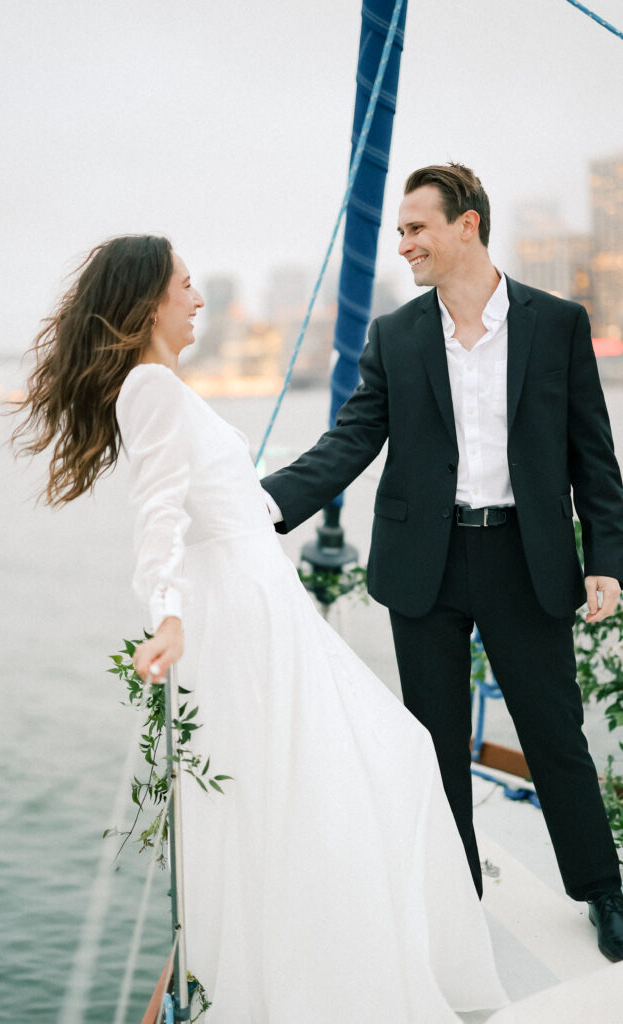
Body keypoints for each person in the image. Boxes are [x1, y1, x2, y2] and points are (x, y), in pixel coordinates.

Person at [13, 234, 507, 1022]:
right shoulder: (151, 387)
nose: (198, 297)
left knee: (345, 775)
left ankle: (332, 974)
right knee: (356, 771)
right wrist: (167, 613)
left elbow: (217, 495)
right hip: (242, 612)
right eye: (185, 284)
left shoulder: (162, 385)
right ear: (148, 300)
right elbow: (158, 516)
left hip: (262, 602)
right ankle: (322, 985)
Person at [261, 163, 623, 963]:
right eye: (398, 231)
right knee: (433, 741)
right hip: (424, 561)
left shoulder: (557, 323)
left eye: (416, 228)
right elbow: (351, 439)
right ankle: (456, 900)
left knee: (553, 734)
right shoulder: (395, 334)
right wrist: (265, 504)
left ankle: (601, 889)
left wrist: (605, 558)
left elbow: (591, 456)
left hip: (525, 559)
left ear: (468, 226)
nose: (403, 244)